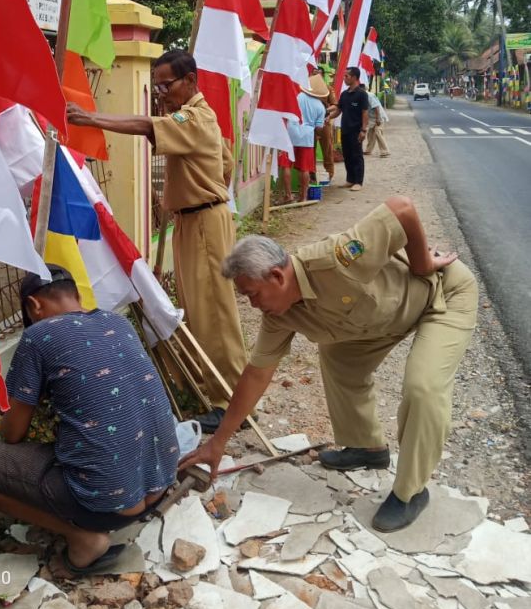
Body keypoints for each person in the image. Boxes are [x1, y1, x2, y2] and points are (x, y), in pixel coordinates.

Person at [180, 197, 478, 532]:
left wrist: (422, 263)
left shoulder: (337, 260)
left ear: (277, 276)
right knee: (338, 356)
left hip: (442, 296)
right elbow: (256, 374)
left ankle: (411, 493)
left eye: (252, 294)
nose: (252, 305)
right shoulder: (278, 315)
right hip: (386, 317)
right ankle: (368, 447)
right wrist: (217, 442)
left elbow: (402, 208)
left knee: (423, 387)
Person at [66, 49, 247, 434]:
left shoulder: (194, 117)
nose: (161, 92)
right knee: (198, 308)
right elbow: (227, 162)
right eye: (158, 85)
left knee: (215, 311)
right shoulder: (198, 118)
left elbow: (147, 126)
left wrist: (89, 117)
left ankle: (230, 401)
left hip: (204, 221)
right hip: (194, 218)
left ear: (191, 81)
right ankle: (213, 386)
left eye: (167, 84)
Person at [0, 266, 179, 574]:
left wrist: (8, 410)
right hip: (159, 487)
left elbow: (13, 434)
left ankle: (83, 537)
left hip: (110, 510)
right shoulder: (117, 322)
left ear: (34, 306)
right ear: (77, 295)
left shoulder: (38, 336)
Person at [278, 79, 326, 203]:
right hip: (307, 136)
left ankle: (288, 195)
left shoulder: (297, 97)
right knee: (305, 168)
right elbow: (319, 128)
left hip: (291, 132)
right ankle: (303, 196)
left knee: (286, 165)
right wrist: (317, 135)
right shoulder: (320, 106)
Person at [330, 66, 369, 191]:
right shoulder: (344, 94)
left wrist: (363, 130)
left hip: (356, 131)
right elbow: (338, 110)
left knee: (356, 156)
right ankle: (350, 179)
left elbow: (365, 113)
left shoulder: (362, 94)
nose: (344, 78)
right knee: (347, 155)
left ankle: (358, 181)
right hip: (345, 130)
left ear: (354, 77)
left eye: (347, 76)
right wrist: (328, 117)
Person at [310, 69, 337, 184]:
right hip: (310, 123)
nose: (316, 76)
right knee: (310, 150)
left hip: (324, 122)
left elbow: (335, 105)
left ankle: (329, 174)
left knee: (327, 149)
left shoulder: (328, 89)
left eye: (318, 74)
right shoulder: (307, 89)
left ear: (322, 75)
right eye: (314, 73)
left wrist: (324, 111)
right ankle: (311, 175)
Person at [364, 91, 390, 157]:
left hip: (379, 116)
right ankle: (368, 150)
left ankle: (385, 151)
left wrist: (378, 118)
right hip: (372, 118)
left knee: (378, 132)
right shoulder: (361, 96)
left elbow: (376, 107)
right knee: (370, 134)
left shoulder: (370, 96)